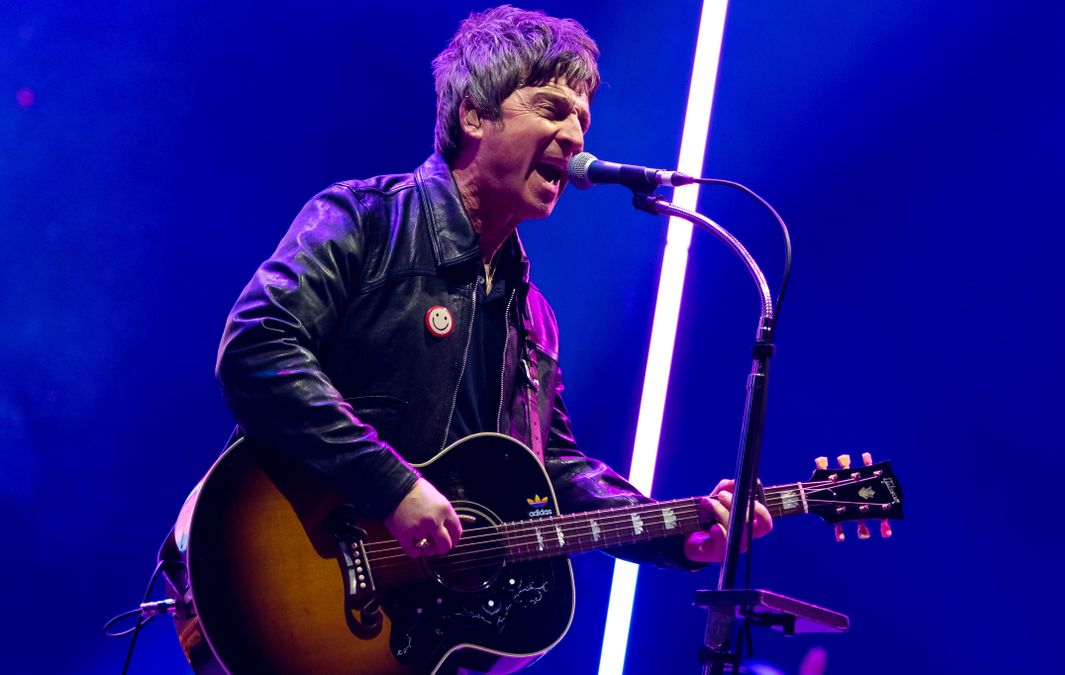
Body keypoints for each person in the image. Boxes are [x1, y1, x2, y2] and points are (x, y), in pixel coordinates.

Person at [216, 5, 770, 584]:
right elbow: (258, 348)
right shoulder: (365, 219)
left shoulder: (532, 316)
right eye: (554, 108)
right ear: (475, 116)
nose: (576, 134)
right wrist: (391, 485)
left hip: (415, 617)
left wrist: (679, 535)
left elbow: (552, 470)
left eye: (583, 118)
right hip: (293, 568)